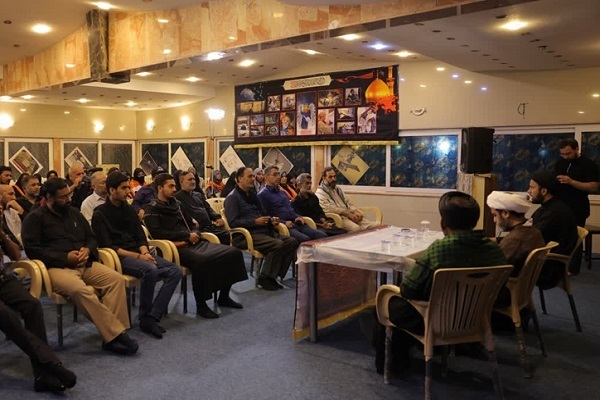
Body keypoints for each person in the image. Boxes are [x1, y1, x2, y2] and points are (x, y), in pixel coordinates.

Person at [374, 191, 507, 373]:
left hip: (436, 321)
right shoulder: (493, 250)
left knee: (387, 302)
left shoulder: (440, 249)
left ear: (443, 223)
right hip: (476, 318)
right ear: (474, 221)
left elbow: (408, 289)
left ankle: (393, 365)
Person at [22, 178, 138, 355]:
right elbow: (33, 250)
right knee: (79, 290)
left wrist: (87, 250)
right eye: (63, 197)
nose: (68, 199)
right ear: (49, 197)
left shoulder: (74, 213)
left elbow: (92, 238)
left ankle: (111, 337)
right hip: (55, 268)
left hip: (85, 263)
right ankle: (117, 335)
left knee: (116, 280)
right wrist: (64, 258)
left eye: (69, 195)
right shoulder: (35, 218)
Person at [144, 173, 247, 319]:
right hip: (173, 248)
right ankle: (201, 305)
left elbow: (193, 225)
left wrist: (194, 234)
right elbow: (157, 233)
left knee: (233, 252)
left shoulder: (177, 205)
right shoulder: (151, 209)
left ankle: (224, 296)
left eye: (174, 186)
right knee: (202, 261)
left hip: (191, 242)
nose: (174, 189)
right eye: (170, 186)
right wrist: (186, 236)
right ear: (160, 188)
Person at [92, 172, 181, 338]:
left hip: (139, 254)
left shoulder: (129, 210)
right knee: (150, 269)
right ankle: (145, 316)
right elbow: (108, 246)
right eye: (123, 188)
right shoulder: (100, 213)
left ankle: (152, 316)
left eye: (128, 187)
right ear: (112, 190)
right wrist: (139, 257)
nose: (128, 191)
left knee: (175, 270)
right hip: (118, 258)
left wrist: (145, 252)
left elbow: (140, 236)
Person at [0, 241, 77, 392]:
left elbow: (16, 255)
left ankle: (42, 375)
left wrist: (2, 235)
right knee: (5, 314)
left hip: (3, 279)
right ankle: (51, 363)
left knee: (32, 305)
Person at [224, 167, 298, 291]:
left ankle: (273, 275)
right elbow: (233, 223)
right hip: (245, 235)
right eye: (250, 176)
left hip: (262, 231)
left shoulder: (252, 194)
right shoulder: (232, 197)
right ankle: (264, 277)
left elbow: (263, 214)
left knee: (292, 242)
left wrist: (271, 220)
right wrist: (255, 222)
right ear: (239, 179)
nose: (253, 179)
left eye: (253, 176)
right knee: (278, 244)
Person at [486, 191, 546, 306]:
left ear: (505, 213)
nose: (494, 220)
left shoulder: (515, 240)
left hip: (504, 293)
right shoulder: (534, 232)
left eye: (495, 215)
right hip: (522, 290)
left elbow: (495, 271)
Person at [554, 138, 600, 274]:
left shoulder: (589, 165)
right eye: (562, 154)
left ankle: (573, 269)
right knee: (559, 236)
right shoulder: (560, 163)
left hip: (578, 206)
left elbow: (594, 187)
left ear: (577, 149)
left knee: (574, 237)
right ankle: (558, 265)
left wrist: (571, 182)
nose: (565, 157)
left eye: (568, 153)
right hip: (560, 205)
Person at [528, 169, 579, 285]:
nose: (528, 191)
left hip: (548, 268)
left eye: (532, 188)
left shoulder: (554, 213)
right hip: (543, 260)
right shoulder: (548, 207)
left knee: (503, 267)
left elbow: (531, 237)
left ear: (544, 191)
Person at [258, 166, 327, 243]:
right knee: (305, 239)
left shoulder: (282, 193)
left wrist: (297, 216)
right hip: (283, 226)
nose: (278, 177)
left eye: (278, 174)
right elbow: (265, 217)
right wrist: (284, 222)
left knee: (322, 235)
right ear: (266, 177)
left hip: (295, 222)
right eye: (274, 175)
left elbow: (290, 209)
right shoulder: (262, 195)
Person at [315, 167, 379, 232]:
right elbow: (331, 209)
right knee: (356, 228)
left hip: (348, 214)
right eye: (330, 177)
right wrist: (348, 214)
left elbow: (348, 203)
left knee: (375, 226)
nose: (333, 179)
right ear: (323, 178)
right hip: (338, 218)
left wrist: (355, 211)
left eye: (334, 176)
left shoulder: (338, 189)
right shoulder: (320, 192)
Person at [175, 170, 230, 244]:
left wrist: (217, 217)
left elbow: (208, 209)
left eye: (194, 179)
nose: (193, 182)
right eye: (190, 179)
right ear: (181, 182)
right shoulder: (177, 198)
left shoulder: (198, 195)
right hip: (198, 230)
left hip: (210, 227)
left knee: (226, 233)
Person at [0, 185, 27, 261]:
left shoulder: (13, 211)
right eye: (10, 194)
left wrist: (21, 211)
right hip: (8, 255)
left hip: (21, 250)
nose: (14, 198)